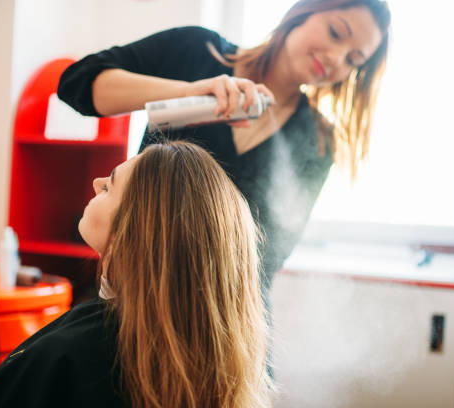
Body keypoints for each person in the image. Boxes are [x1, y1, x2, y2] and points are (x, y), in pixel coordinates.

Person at [58, 0, 391, 300]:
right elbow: (77, 84)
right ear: (303, 12)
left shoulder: (317, 141)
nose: (336, 58)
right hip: (135, 287)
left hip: (222, 311)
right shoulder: (196, 51)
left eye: (353, 59)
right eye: (336, 32)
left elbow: (271, 253)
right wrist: (188, 94)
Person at [0, 142, 271, 408]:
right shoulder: (204, 360)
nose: (95, 182)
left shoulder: (77, 355)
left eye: (109, 186)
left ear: (138, 231)